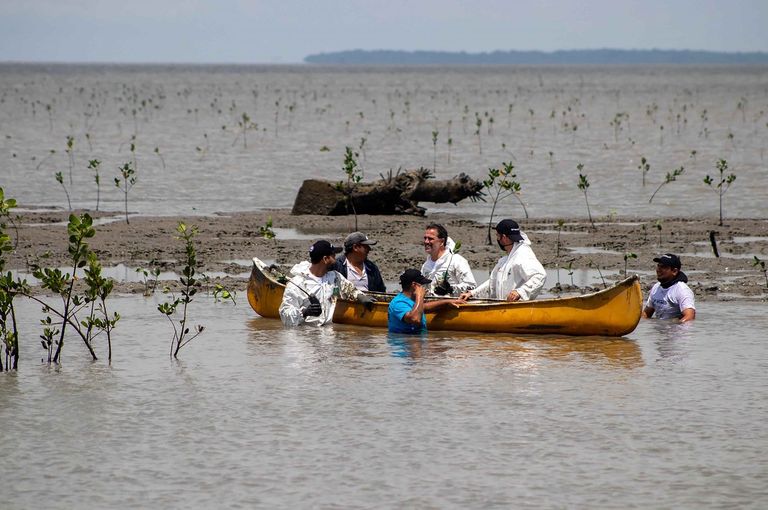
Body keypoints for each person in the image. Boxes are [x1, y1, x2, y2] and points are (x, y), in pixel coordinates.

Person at [279, 240, 376, 327]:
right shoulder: (296, 285)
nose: (336, 259)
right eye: (333, 256)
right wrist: (305, 312)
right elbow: (285, 317)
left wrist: (360, 296)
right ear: (325, 259)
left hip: (329, 334)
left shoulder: (334, 277)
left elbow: (349, 289)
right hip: (306, 337)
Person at [460, 219, 546, 302]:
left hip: (518, 308)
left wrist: (520, 292)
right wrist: (472, 293)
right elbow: (492, 283)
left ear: (504, 237)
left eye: (497, 236)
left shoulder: (523, 255)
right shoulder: (505, 260)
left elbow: (540, 275)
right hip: (506, 307)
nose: (497, 239)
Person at [388, 268, 465, 334]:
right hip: (404, 346)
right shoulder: (398, 303)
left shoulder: (411, 301)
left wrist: (446, 302)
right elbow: (415, 319)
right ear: (414, 285)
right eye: (422, 285)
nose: (424, 288)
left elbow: (423, 308)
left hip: (417, 342)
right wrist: (420, 295)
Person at [421, 223, 476, 297]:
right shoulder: (426, 265)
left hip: (453, 306)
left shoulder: (456, 261)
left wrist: (450, 289)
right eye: (425, 238)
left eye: (430, 239)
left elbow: (472, 286)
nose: (426, 242)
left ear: (442, 242)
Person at [642, 253, 696, 323]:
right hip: (659, 331)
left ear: (674, 271)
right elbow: (646, 314)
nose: (659, 269)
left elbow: (690, 316)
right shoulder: (656, 287)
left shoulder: (682, 290)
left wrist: (674, 325)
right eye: (658, 266)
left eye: (663, 267)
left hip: (675, 331)